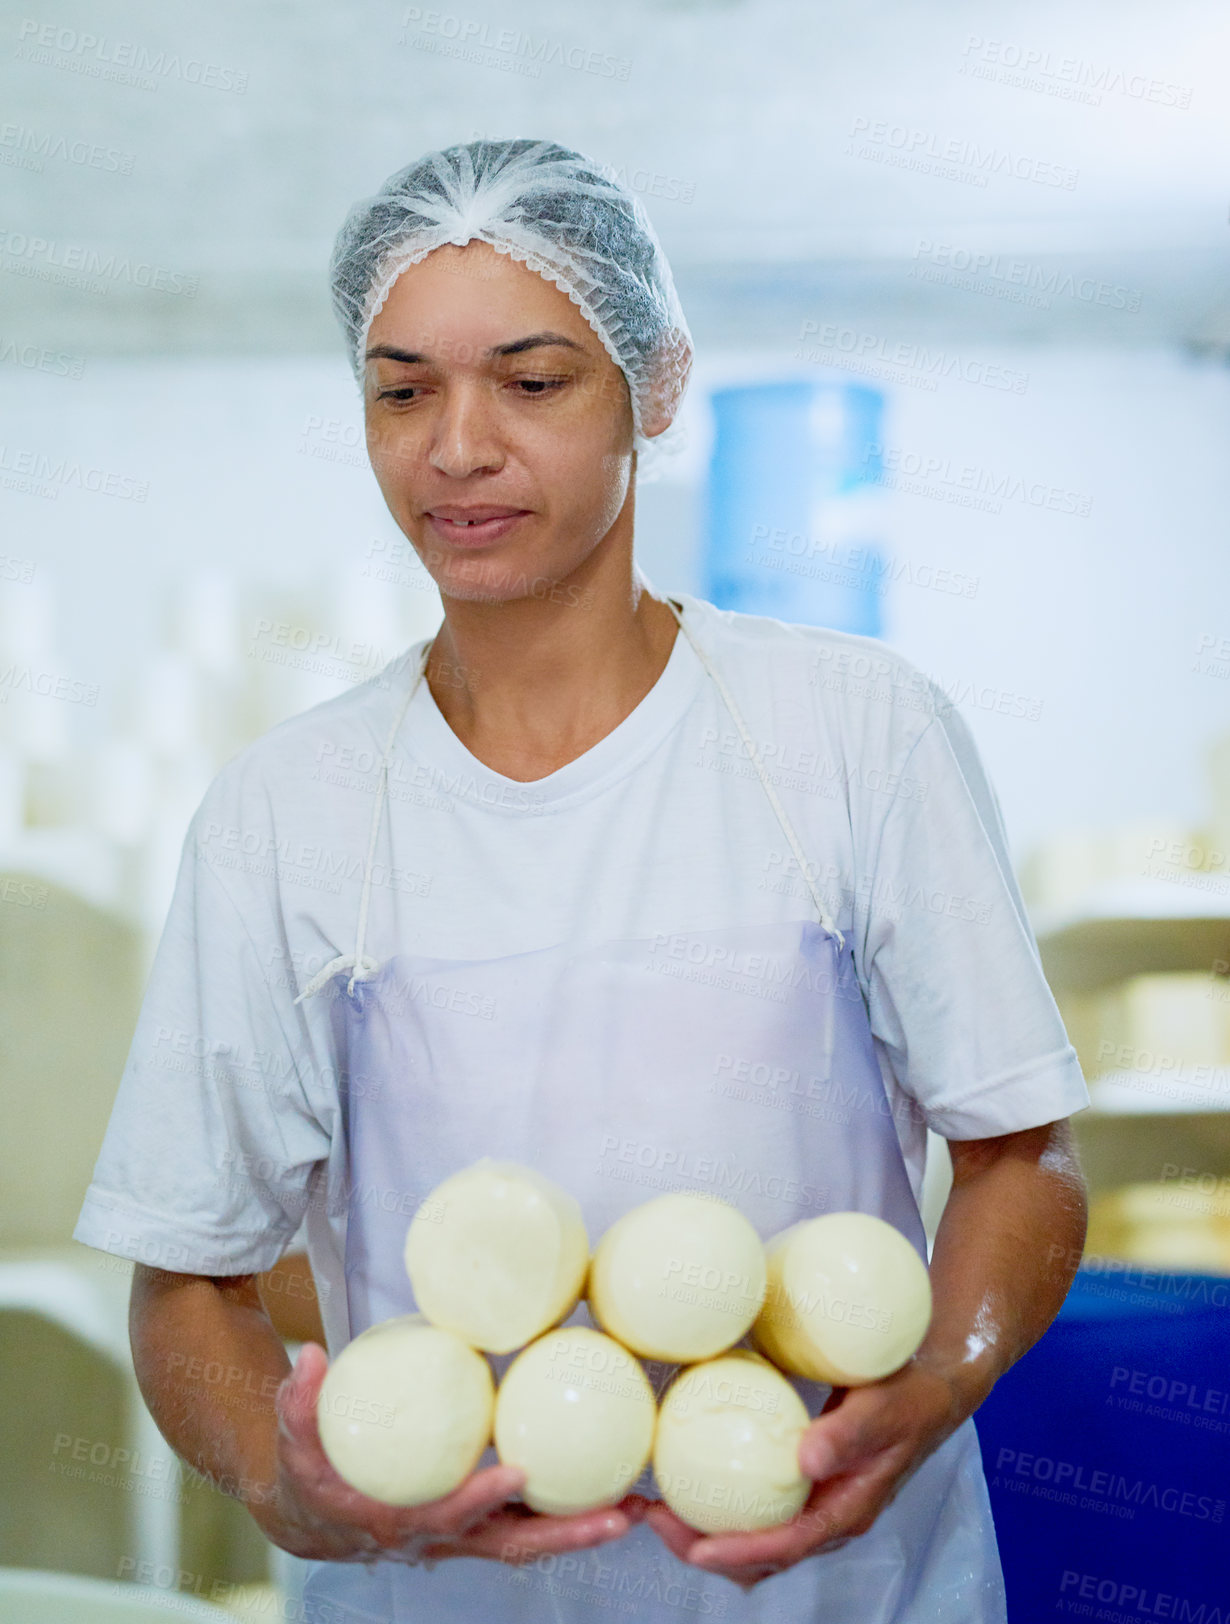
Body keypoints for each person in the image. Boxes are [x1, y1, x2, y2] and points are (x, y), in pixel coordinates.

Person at [75, 138, 1090, 1622]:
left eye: (533, 382)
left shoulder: (852, 732)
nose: (457, 447)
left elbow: (1021, 1158)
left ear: (657, 386)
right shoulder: (284, 811)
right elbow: (189, 1282)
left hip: (837, 1591)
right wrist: (292, 1492)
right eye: (402, 387)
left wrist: (930, 1390)